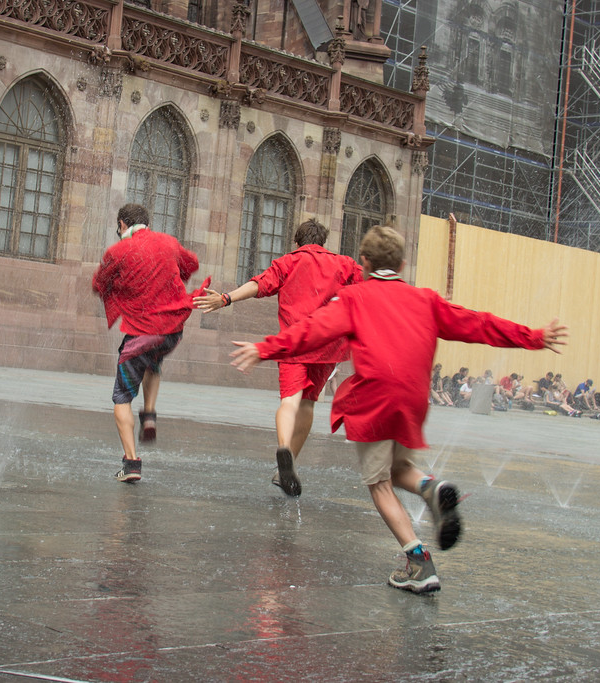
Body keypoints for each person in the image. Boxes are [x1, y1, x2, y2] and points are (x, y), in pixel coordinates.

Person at [230, 226, 567, 594]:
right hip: (415, 399)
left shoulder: (354, 298)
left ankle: (419, 561)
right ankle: (430, 488)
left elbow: (310, 331)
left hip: (376, 397)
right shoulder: (425, 299)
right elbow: (479, 324)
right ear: (403, 263)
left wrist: (265, 349)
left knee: (379, 484)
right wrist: (533, 337)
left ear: (364, 262)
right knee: (399, 468)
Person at [193, 218, 362, 497]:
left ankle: (284, 447)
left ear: (297, 242)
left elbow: (258, 285)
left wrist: (225, 298)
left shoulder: (289, 262)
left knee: (289, 402)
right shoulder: (344, 263)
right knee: (308, 405)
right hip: (327, 346)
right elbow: (369, 286)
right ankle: (288, 462)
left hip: (294, 344)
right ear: (322, 242)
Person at [92, 203, 208, 483]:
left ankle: (131, 463)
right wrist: (166, 277)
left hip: (141, 333)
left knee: (121, 397)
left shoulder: (118, 251)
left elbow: (99, 284)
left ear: (122, 224)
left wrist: (124, 288)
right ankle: (150, 413)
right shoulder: (168, 242)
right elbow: (191, 264)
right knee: (153, 361)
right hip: (170, 331)